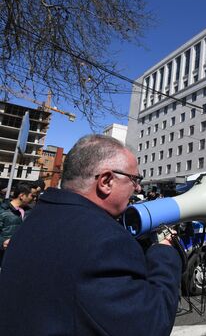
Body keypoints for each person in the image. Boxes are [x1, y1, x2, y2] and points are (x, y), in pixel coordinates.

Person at [0, 134, 182, 336]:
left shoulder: (33, 221)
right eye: (134, 179)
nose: (138, 187)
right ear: (106, 181)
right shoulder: (107, 241)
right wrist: (164, 252)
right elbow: (151, 326)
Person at [0, 182, 36, 265]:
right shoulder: (2, 210)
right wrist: (2, 242)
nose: (34, 199)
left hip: (20, 259)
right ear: (22, 196)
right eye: (32, 196)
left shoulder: (31, 212)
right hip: (3, 258)